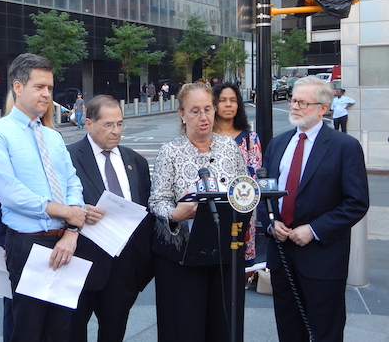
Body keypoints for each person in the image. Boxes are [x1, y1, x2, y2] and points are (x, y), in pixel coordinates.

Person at [0, 53, 86, 342]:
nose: (47, 94)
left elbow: (72, 181)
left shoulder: (53, 136)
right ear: (17, 87)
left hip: (64, 240)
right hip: (27, 244)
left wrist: (72, 229)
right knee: (27, 329)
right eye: (39, 87)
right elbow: (10, 194)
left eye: (49, 88)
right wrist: (65, 211)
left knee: (60, 329)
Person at [262, 76, 369, 342]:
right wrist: (270, 223)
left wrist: (313, 229)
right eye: (293, 100)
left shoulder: (344, 147)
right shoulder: (278, 144)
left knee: (325, 329)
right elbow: (263, 195)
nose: (294, 107)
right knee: (288, 326)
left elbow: (356, 202)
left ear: (323, 108)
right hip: (281, 254)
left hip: (322, 256)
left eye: (303, 102)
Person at [148, 83, 248, 341]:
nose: (203, 117)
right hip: (182, 256)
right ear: (182, 114)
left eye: (207, 109)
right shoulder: (170, 151)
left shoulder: (230, 147)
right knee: (184, 328)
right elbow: (157, 200)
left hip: (225, 252)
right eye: (195, 111)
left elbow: (244, 191)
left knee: (224, 327)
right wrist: (175, 214)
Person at [67, 95, 154, 342]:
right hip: (81, 262)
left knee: (114, 333)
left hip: (123, 267)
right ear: (88, 124)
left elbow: (145, 208)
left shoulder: (135, 161)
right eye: (108, 125)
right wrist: (77, 209)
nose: (115, 131)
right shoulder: (69, 157)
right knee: (73, 332)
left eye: (119, 124)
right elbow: (55, 202)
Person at [212, 82, 262, 265]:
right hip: (211, 210)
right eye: (222, 100)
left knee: (238, 266)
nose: (228, 104)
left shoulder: (250, 139)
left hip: (242, 211)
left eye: (233, 100)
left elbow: (255, 176)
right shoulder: (205, 136)